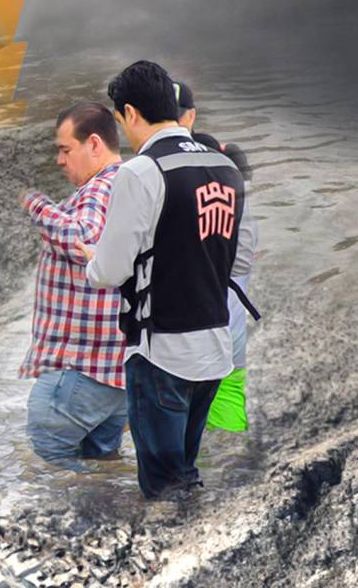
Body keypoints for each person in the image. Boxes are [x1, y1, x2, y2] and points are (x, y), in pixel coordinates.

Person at [79, 61, 252, 500]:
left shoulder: (140, 172)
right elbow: (238, 259)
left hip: (161, 354)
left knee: (162, 486)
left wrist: (92, 259)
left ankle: (176, 557)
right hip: (214, 350)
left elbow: (111, 270)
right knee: (185, 474)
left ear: (131, 113)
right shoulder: (225, 168)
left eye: (120, 121)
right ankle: (201, 543)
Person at [18, 102, 126, 468]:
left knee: (45, 463)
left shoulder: (100, 188)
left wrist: (35, 203)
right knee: (103, 465)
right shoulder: (127, 184)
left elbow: (81, 238)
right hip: (114, 371)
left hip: (83, 369)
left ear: (94, 143)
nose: (60, 160)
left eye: (66, 150)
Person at [173, 80, 258, 432]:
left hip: (199, 334)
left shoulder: (168, 172)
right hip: (224, 327)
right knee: (223, 420)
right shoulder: (223, 170)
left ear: (190, 116)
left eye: (176, 116)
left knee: (192, 420)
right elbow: (244, 257)